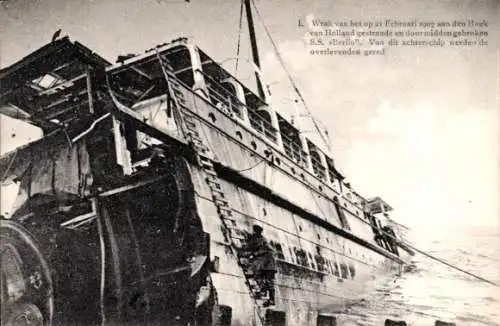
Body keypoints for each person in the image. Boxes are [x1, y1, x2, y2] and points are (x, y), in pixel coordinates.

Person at [245, 225, 276, 307]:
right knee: (259, 276)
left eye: (255, 231)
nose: (254, 232)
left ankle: (271, 299)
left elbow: (264, 250)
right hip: (265, 265)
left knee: (269, 282)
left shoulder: (263, 241)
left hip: (269, 265)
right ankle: (264, 290)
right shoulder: (258, 239)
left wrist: (254, 254)